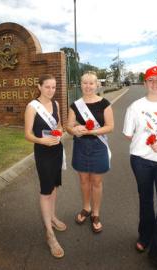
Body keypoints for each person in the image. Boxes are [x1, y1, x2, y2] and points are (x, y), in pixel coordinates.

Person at [123, 66, 157, 270]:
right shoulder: (135, 106)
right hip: (141, 160)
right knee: (145, 200)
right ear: (145, 83)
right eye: (150, 80)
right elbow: (128, 134)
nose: (154, 84)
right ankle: (145, 236)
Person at [66, 71, 114, 233]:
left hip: (98, 146)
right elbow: (68, 126)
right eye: (84, 83)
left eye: (91, 83)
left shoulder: (104, 103)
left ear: (97, 85)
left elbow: (110, 126)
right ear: (81, 85)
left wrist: (91, 132)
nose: (88, 86)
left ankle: (95, 213)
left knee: (96, 182)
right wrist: (74, 130)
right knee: (84, 181)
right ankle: (86, 208)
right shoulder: (75, 105)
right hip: (81, 146)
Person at [24, 74, 66, 259]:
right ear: (39, 87)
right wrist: (42, 140)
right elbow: (27, 135)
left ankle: (53, 216)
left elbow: (59, 125)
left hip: (57, 150)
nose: (51, 90)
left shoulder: (55, 104)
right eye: (47, 87)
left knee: (55, 186)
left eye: (54, 87)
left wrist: (60, 132)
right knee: (45, 191)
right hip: (43, 152)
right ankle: (49, 234)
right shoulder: (32, 107)